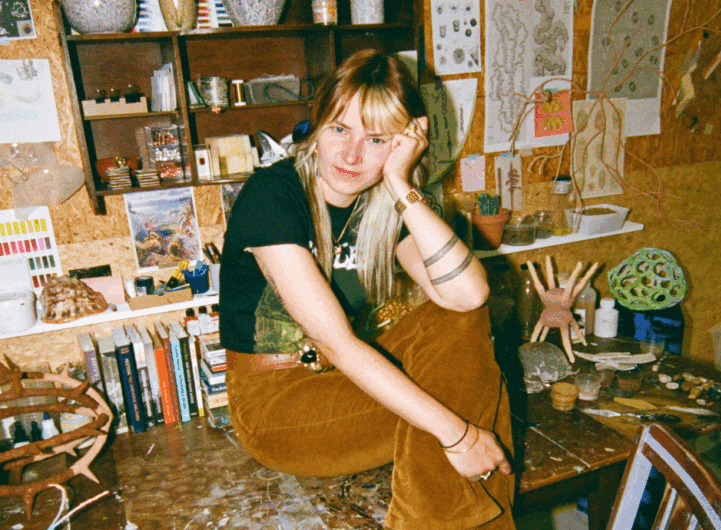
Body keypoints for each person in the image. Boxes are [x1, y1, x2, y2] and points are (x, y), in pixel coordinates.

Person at [219, 49, 514, 529]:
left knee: (462, 328)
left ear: (404, 142)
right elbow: (338, 343)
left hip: (347, 382)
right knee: (470, 402)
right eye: (339, 129)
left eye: (376, 139)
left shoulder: (383, 202)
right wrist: (458, 436)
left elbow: (469, 296)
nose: (352, 155)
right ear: (317, 125)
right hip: (278, 406)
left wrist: (400, 184)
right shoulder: (273, 195)